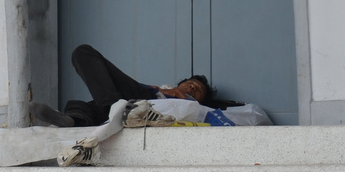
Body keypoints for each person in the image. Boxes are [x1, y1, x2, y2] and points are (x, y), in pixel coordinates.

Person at [30, 44, 228, 128]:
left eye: (198, 90)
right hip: (136, 97)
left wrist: (175, 95)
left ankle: (79, 118)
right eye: (190, 83)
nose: (193, 88)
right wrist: (160, 90)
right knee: (82, 53)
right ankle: (75, 119)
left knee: (95, 106)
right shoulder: (159, 88)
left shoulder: (194, 106)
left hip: (146, 106)